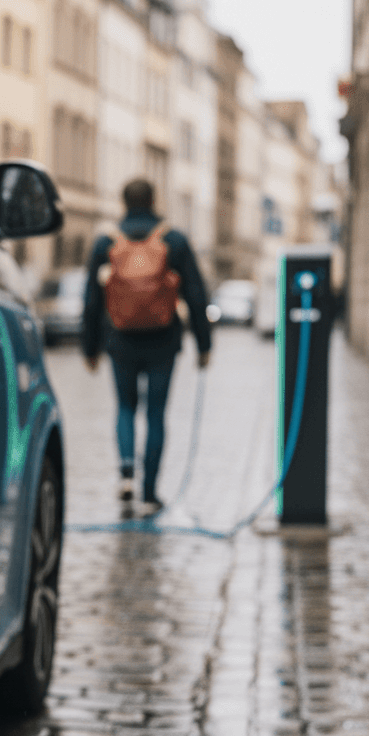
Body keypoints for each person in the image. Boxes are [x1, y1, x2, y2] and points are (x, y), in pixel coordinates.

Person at [81, 178, 212, 514]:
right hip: (163, 339)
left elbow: (92, 300)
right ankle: (150, 493)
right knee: (155, 414)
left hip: (119, 339)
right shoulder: (174, 240)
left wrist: (89, 347)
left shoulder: (106, 242)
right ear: (154, 200)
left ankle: (126, 470)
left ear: (123, 202)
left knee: (125, 408)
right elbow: (196, 294)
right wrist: (203, 344)